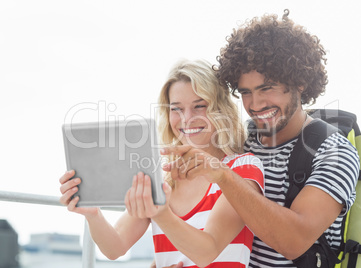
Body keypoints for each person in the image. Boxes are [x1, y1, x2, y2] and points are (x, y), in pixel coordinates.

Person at [161, 10, 360, 267]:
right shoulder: (241, 140)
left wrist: (224, 175)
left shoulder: (334, 152)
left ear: (300, 82)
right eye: (246, 92)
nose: (255, 104)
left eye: (267, 88)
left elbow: (293, 241)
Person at [59, 59, 265, 267]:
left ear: (220, 109)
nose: (187, 118)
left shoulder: (243, 168)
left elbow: (207, 252)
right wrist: (92, 213)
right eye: (176, 109)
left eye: (199, 106)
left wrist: (162, 213)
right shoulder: (161, 178)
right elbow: (115, 247)